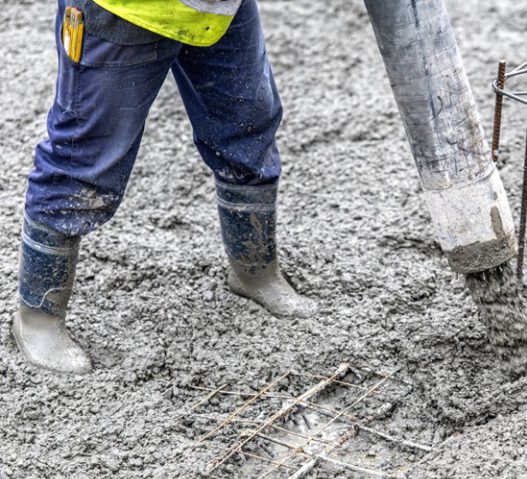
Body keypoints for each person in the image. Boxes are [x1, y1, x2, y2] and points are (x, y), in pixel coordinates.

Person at [14, 0, 318, 375]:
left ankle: (255, 271)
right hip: (128, 10)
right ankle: (38, 317)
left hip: (220, 10)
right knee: (83, 161)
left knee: (247, 127)